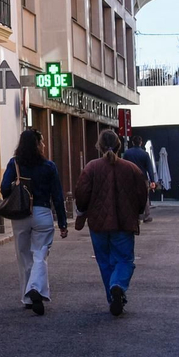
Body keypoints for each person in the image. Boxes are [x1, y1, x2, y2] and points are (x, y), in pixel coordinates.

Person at [76, 129, 151, 317]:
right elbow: (142, 193)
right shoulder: (131, 168)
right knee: (125, 259)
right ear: (119, 146)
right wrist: (139, 213)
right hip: (124, 223)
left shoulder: (91, 167)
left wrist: (82, 211)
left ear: (99, 147)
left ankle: (113, 295)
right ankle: (118, 286)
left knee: (104, 261)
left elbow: (82, 193)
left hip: (98, 224)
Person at [2, 128, 67, 316]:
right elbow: (57, 196)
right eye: (42, 141)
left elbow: (4, 188)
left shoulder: (14, 164)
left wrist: (17, 187)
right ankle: (36, 289)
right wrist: (62, 223)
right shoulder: (49, 166)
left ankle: (28, 297)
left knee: (23, 256)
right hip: (42, 213)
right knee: (40, 254)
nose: (44, 145)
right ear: (37, 144)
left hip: (20, 214)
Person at [121, 137, 156, 223]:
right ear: (141, 143)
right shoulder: (145, 154)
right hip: (143, 178)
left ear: (132, 142)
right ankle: (146, 216)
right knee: (145, 196)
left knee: (131, 196)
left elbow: (122, 166)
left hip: (130, 178)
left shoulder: (127, 153)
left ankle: (134, 216)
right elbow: (149, 168)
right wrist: (152, 181)